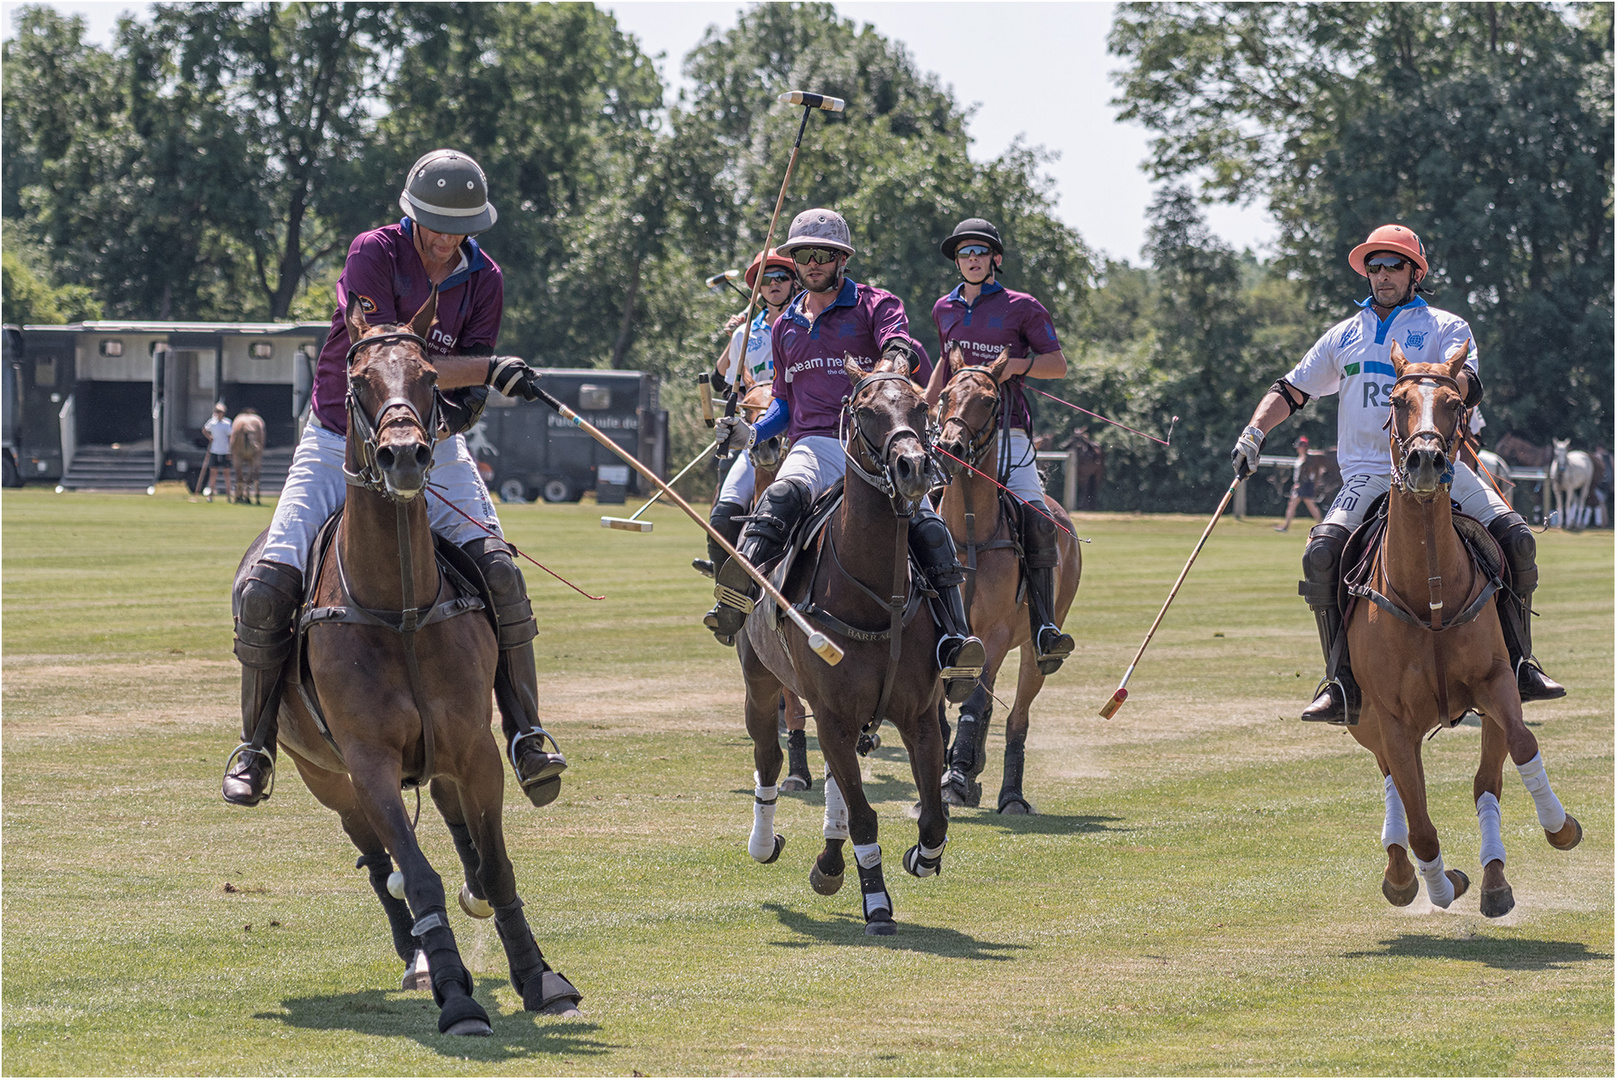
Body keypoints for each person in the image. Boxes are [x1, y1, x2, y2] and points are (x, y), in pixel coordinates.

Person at [222, 149, 567, 808]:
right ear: (411, 213)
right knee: (267, 584)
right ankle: (256, 743)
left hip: (431, 445)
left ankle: (526, 733)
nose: (442, 237)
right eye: (432, 222)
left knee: (501, 570)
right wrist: (491, 366)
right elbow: (386, 350)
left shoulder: (484, 279)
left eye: (456, 226)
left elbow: (463, 400)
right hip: (338, 442)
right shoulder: (372, 253)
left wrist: (476, 389)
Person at [1231, 224, 1564, 725]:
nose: (1382, 275)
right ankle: (1341, 681)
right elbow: (1292, 389)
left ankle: (1520, 663)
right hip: (1368, 472)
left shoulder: (1446, 325)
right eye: (1374, 266)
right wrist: (1254, 432)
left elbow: (1471, 383)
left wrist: (1449, 379)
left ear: (1415, 272)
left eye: (1393, 265)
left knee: (1517, 539)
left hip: (1443, 467)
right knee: (1321, 553)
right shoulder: (1344, 334)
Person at [702, 207, 986, 703]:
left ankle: (955, 641)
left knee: (927, 523)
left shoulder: (874, 303)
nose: (813, 263)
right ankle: (739, 592)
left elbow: (902, 346)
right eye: (804, 255)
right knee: (782, 496)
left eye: (824, 255)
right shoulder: (785, 326)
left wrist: (886, 367)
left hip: (877, 443)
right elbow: (786, 406)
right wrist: (749, 432)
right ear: (795, 261)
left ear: (841, 259)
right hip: (816, 442)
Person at [922, 218, 1075, 673]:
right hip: (953, 433)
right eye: (964, 253)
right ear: (957, 261)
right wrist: (927, 406)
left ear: (995, 260)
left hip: (1005, 432)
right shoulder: (944, 308)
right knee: (915, 514)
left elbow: (1058, 365)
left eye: (980, 252)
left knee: (1037, 514)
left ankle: (1045, 626)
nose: (971, 259)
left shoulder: (1021, 307)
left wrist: (1015, 368)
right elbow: (944, 369)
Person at [693, 248, 800, 581]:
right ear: (757, 290)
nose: (773, 284)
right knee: (722, 515)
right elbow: (732, 388)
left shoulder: (807, 326)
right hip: (757, 435)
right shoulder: (743, 335)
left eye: (781, 277)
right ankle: (724, 588)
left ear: (793, 283)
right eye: (765, 280)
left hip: (800, 433)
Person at [1274, 435, 1323, 532]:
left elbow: (1308, 474)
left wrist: (1300, 484)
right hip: (1300, 485)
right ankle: (1286, 526)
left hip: (1305, 485)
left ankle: (1321, 525)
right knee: (1295, 505)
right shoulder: (1301, 458)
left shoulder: (1309, 459)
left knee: (1310, 506)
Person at [200, 402, 233, 502]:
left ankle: (228, 496)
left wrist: (230, 450)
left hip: (225, 451)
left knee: (226, 473)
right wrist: (210, 438)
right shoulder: (212, 422)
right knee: (213, 473)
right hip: (214, 450)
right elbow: (204, 430)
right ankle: (210, 495)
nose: (219, 414)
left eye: (221, 412)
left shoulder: (227, 423)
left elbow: (229, 436)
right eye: (217, 411)